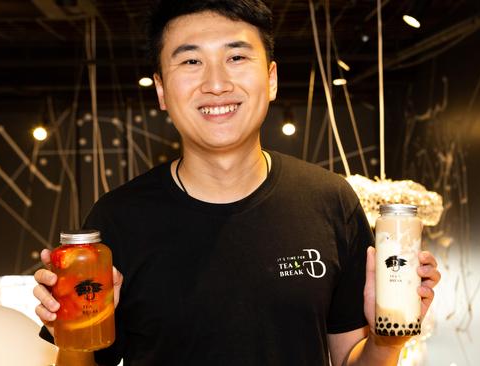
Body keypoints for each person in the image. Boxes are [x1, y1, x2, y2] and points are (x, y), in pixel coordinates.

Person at [32, 1, 441, 365]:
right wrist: (69, 332)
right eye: (191, 62)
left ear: (272, 78)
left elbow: (351, 359)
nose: (216, 83)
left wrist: (388, 341)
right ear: (160, 89)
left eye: (236, 57)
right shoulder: (118, 219)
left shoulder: (330, 201)